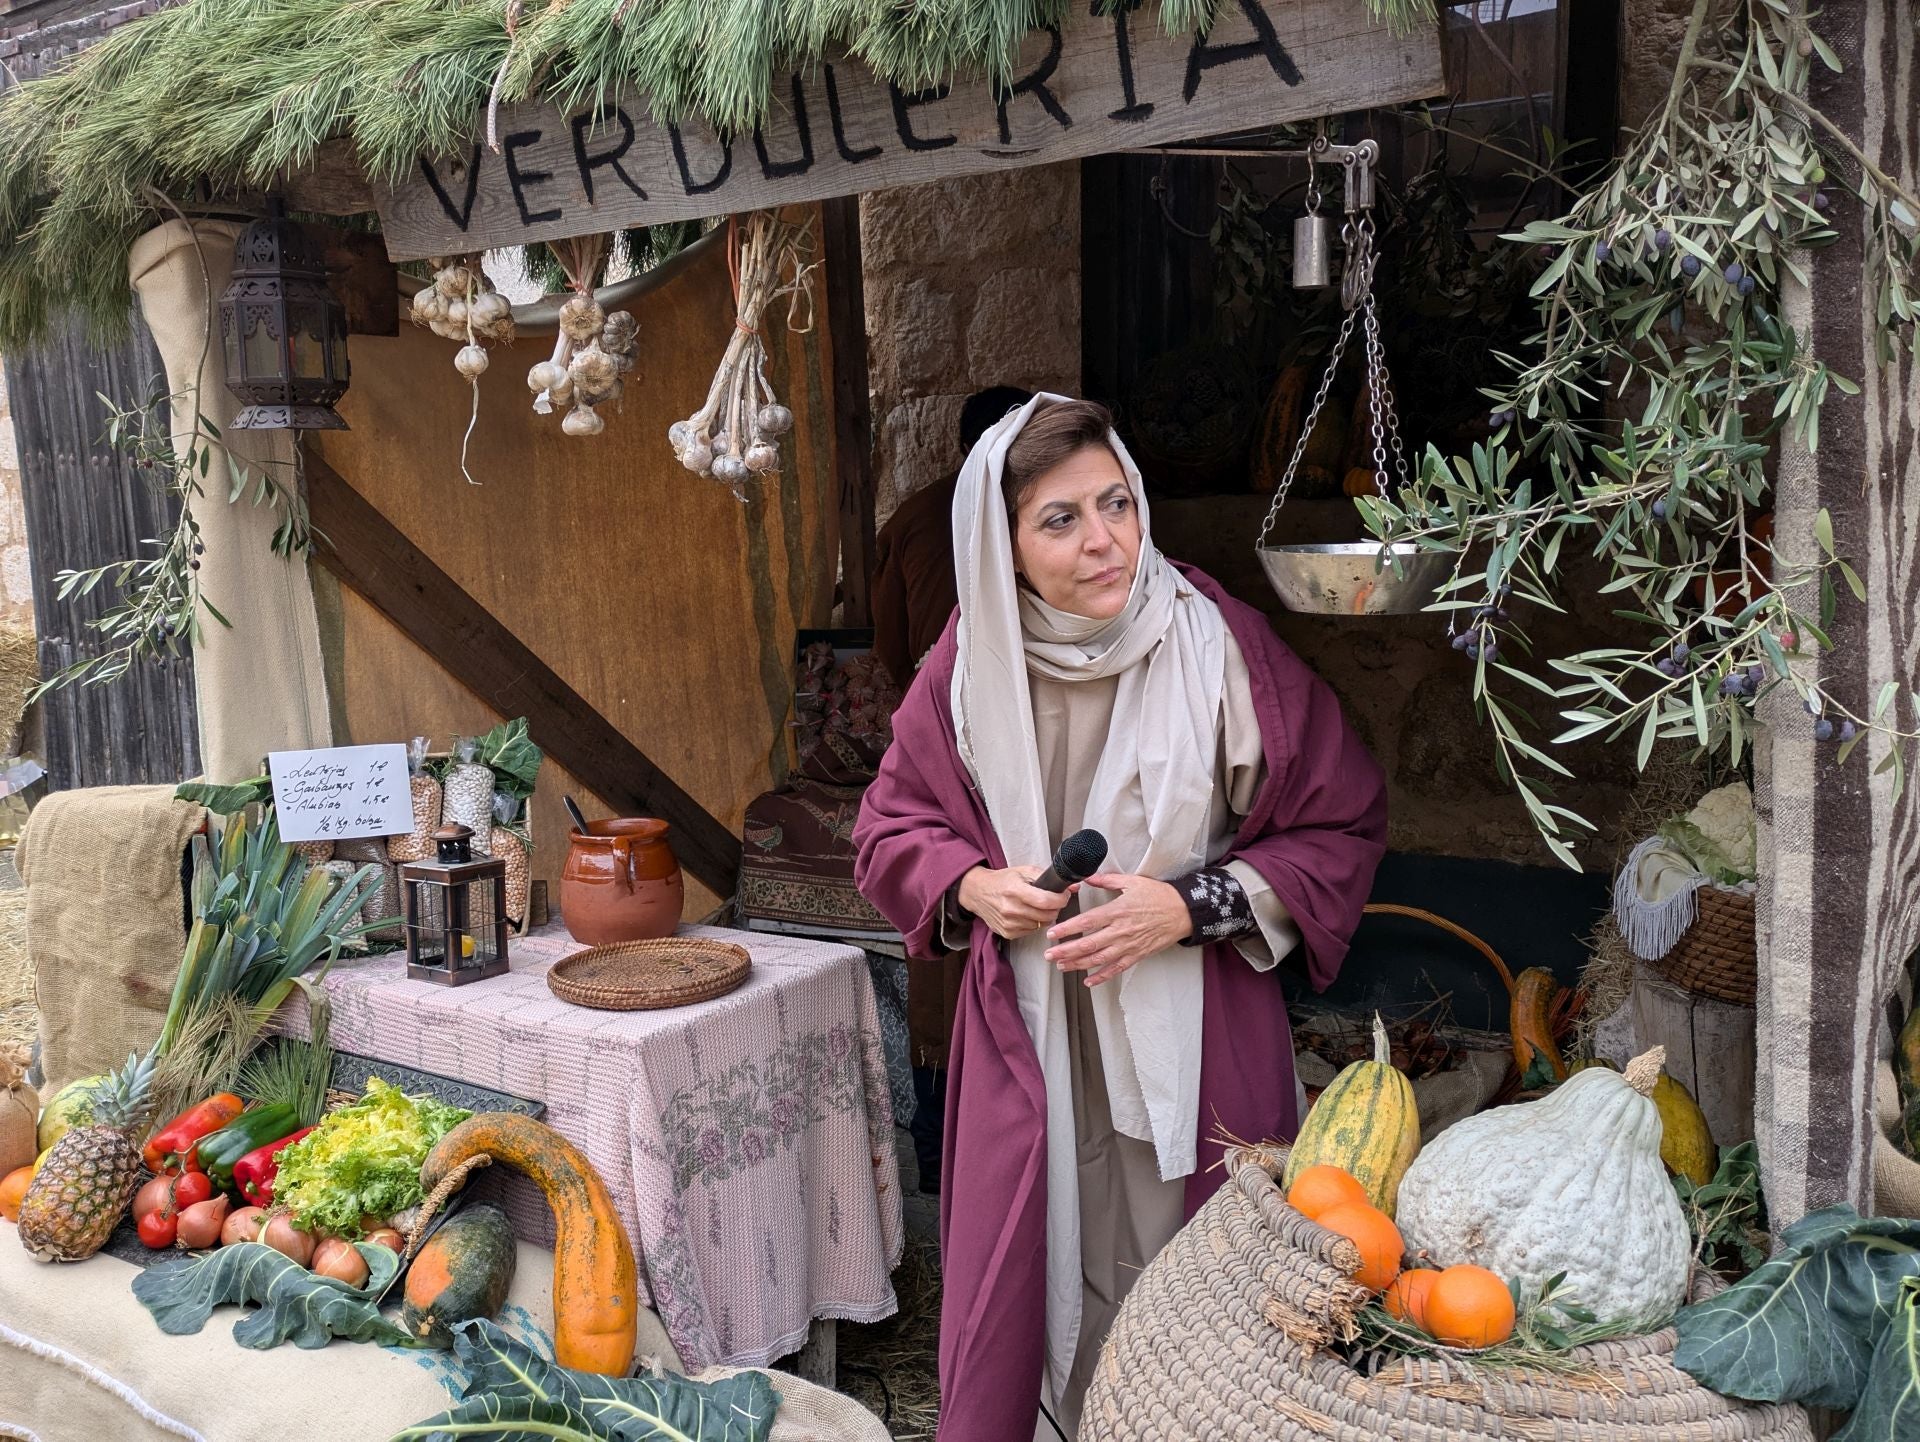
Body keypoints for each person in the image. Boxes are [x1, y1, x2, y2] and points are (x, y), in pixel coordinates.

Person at [853, 396, 1387, 1441]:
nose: (1105, 540)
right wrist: (972, 883)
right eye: (1060, 518)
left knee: (1201, 1291)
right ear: (999, 544)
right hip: (1030, 1036)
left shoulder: (1214, 640)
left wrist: (1187, 905)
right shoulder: (965, 671)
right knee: (1036, 1282)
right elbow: (887, 829)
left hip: (1200, 1023)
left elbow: (1341, 818)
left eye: (1117, 502)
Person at [868, 384, 1032, 1196]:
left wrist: (928, 711)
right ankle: (966, 1157)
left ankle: (939, 1154)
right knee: (972, 917)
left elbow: (890, 647)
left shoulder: (913, 514)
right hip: (983, 740)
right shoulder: (1033, 514)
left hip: (947, 746)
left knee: (946, 958)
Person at [870, 385, 1035, 692]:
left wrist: (916, 688)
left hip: (940, 684)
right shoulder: (1045, 509)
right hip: (1007, 684)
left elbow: (889, 640)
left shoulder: (913, 515)